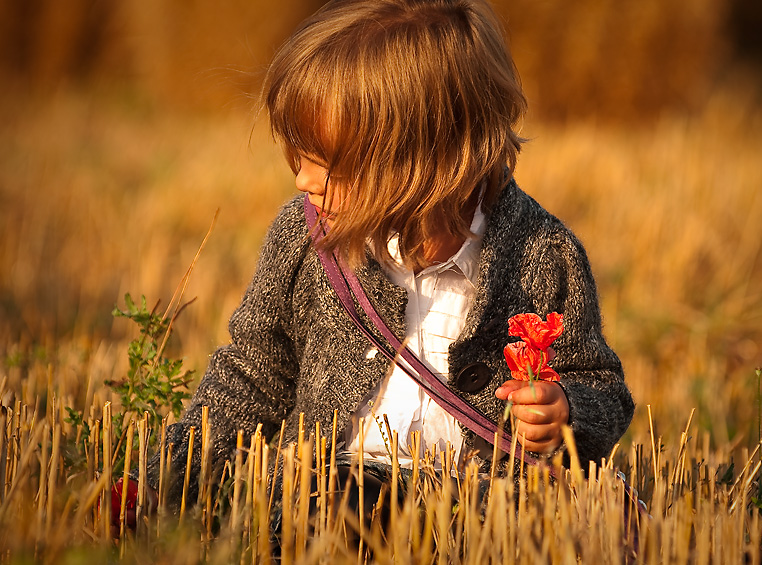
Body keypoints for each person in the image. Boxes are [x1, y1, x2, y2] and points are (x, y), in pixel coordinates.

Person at [136, 0, 634, 511]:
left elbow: (600, 386)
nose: (302, 181)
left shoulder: (542, 254)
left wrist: (566, 412)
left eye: (324, 164)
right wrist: (162, 482)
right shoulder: (305, 239)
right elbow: (251, 375)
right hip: (330, 492)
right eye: (298, 158)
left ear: (419, 163)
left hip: (477, 509)